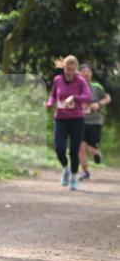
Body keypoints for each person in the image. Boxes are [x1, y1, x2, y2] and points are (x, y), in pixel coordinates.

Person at [44, 55, 92, 191]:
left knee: (74, 151)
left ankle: (74, 178)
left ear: (76, 69)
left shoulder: (81, 81)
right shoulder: (57, 80)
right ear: (63, 67)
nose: (70, 72)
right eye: (68, 69)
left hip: (77, 119)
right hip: (61, 119)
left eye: (73, 69)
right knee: (59, 148)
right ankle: (65, 169)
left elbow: (88, 97)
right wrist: (49, 104)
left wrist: (74, 97)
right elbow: (53, 95)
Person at [78, 63, 111, 179]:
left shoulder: (96, 86)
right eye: (83, 72)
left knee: (91, 148)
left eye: (88, 72)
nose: (86, 74)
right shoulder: (75, 87)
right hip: (80, 121)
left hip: (95, 122)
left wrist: (98, 104)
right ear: (79, 74)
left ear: (91, 74)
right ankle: (86, 172)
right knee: (80, 148)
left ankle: (96, 153)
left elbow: (107, 98)